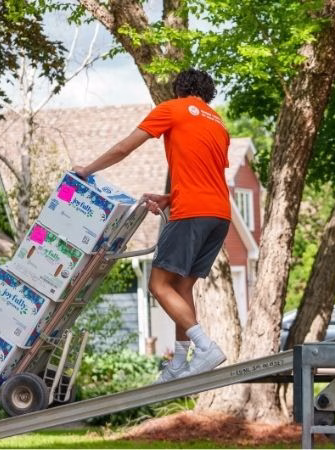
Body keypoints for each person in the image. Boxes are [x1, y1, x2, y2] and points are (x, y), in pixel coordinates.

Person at [72, 68, 230, 382]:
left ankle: (205, 347)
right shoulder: (218, 124)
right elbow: (205, 174)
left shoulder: (173, 109)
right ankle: (179, 363)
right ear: (208, 93)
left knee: (158, 285)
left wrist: (86, 170)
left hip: (192, 214)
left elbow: (123, 148)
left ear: (179, 90)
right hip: (219, 214)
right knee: (181, 288)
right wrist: (171, 197)